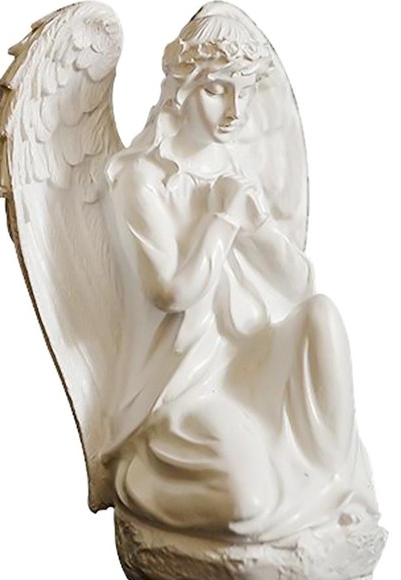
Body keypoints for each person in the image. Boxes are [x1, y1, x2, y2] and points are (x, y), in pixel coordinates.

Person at [103, 2, 378, 539]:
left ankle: (331, 486)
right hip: (184, 388)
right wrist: (222, 219)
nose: (234, 111)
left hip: (250, 359)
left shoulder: (232, 165)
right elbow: (170, 292)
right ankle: (138, 479)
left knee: (322, 316)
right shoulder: (143, 178)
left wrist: (256, 227)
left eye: (245, 92)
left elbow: (298, 284)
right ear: (181, 91)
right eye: (216, 90)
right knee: (245, 506)